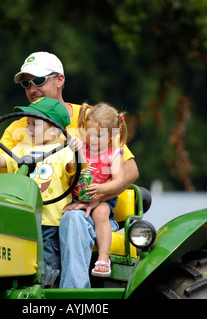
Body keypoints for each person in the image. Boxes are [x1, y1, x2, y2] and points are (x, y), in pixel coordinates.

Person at [0, 51, 140, 288]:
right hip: (38, 212)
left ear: (60, 80)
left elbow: (129, 170)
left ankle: (73, 295)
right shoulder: (21, 124)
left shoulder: (91, 118)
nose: (31, 89)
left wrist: (97, 197)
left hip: (87, 209)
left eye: (38, 80)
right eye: (26, 83)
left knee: (74, 219)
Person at [0, 96, 84, 284]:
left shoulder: (64, 150)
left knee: (48, 270)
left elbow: (77, 165)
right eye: (28, 124)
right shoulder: (22, 149)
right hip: (22, 221)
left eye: (35, 124)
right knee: (18, 266)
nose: (28, 129)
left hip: (50, 223)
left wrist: (77, 150)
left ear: (54, 128)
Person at [66, 102, 128, 278]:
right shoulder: (82, 147)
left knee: (100, 213)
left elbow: (118, 181)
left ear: (111, 136)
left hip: (103, 197)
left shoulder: (114, 153)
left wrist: (101, 189)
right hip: (76, 195)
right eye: (89, 134)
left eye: (98, 136)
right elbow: (73, 168)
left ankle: (103, 258)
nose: (92, 140)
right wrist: (75, 151)